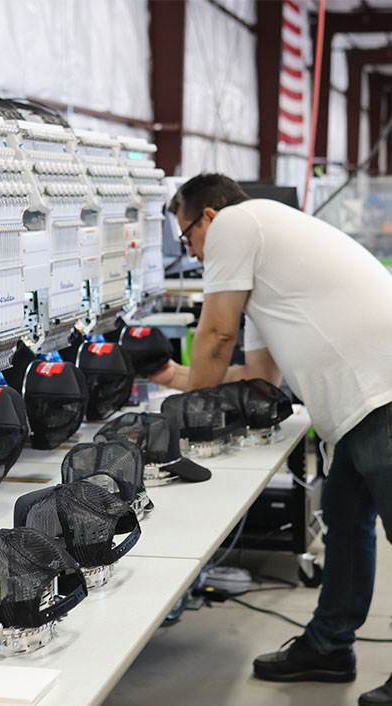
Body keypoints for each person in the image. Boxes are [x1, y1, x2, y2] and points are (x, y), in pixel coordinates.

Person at [150, 173, 392, 706]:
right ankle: (329, 647)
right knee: (346, 523)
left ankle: (331, 645)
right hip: (359, 405)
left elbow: (215, 336)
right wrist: (170, 377)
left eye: (188, 239)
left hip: (382, 391)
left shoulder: (238, 222)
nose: (191, 253)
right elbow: (261, 374)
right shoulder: (264, 259)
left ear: (208, 216)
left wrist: (182, 421)